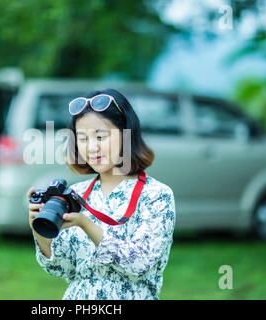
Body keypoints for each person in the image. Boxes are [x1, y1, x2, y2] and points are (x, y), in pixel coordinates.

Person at [27, 88, 176, 300]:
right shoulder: (76, 195)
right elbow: (64, 270)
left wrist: (86, 224)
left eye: (100, 136)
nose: (92, 147)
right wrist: (40, 233)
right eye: (83, 139)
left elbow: (140, 265)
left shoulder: (156, 195)